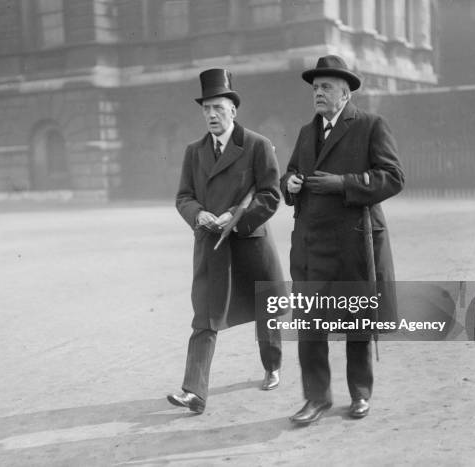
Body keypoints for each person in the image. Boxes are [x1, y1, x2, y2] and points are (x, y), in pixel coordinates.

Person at [280, 55, 405, 425]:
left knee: (357, 321)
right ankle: (315, 399)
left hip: (354, 242)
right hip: (312, 245)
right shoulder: (306, 132)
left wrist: (343, 184)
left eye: (326, 87)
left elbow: (393, 176)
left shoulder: (370, 125)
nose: (318, 93)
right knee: (310, 323)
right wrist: (290, 184)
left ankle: (359, 394)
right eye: (315, 87)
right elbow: (289, 174)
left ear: (345, 92)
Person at [167, 68, 285, 414]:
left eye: (218, 107)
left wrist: (236, 217)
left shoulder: (257, 145)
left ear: (233, 110)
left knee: (266, 309)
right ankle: (194, 392)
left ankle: (272, 365)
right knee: (205, 315)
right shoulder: (194, 151)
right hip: (211, 245)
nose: (212, 115)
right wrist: (199, 214)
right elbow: (183, 197)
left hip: (249, 240)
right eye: (206, 109)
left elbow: (270, 195)